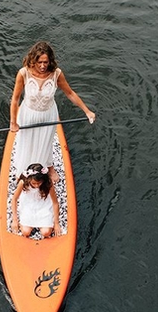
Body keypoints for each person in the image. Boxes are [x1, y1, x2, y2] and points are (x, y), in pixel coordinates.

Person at [9, 41, 95, 181]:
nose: (43, 66)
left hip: (48, 114)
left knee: (45, 141)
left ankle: (48, 167)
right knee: (27, 141)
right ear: (33, 60)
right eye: (39, 62)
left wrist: (87, 111)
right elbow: (15, 99)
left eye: (46, 62)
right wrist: (13, 122)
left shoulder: (56, 74)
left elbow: (70, 93)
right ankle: (24, 169)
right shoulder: (23, 73)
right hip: (28, 114)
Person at [11, 163, 61, 238]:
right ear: (29, 179)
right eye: (34, 183)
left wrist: (56, 223)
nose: (37, 185)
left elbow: (55, 203)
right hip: (28, 204)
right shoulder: (23, 183)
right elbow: (14, 199)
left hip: (43, 205)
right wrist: (15, 220)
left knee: (46, 232)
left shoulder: (48, 184)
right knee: (25, 232)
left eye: (39, 183)